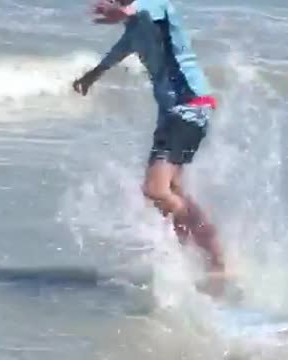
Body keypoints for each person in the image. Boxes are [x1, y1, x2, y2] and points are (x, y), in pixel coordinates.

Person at [72, 0, 227, 296]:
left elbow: (146, 9)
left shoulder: (156, 6)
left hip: (190, 106)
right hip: (171, 114)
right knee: (173, 191)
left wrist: (126, 11)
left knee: (156, 190)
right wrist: (90, 77)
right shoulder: (133, 31)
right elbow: (115, 54)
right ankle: (213, 260)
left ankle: (208, 256)